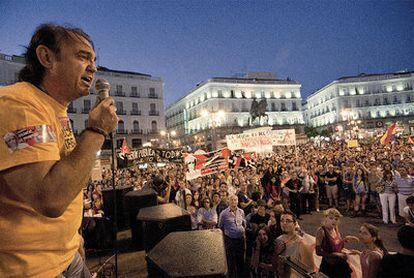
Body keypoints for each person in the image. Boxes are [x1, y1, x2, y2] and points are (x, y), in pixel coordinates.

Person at [0, 24, 118, 277]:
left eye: (94, 60)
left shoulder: (56, 110)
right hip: (31, 268)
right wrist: (97, 131)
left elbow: (69, 177)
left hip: (65, 255)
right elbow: (50, 197)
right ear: (47, 58)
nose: (93, 67)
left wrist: (74, 240)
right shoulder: (19, 104)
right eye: (83, 56)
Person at [315, 208, 359, 278]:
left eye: (336, 219)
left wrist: (344, 240)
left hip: (340, 264)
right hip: (328, 266)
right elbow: (318, 252)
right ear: (325, 218)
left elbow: (337, 245)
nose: (334, 221)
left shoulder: (335, 228)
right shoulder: (321, 231)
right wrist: (336, 254)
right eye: (331, 218)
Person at [271, 211, 315, 278]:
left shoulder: (302, 244)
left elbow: (310, 271)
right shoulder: (278, 240)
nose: (284, 223)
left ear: (294, 224)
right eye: (282, 221)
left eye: (288, 221)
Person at [218, 194, 246, 278]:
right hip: (230, 240)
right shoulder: (224, 213)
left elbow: (243, 223)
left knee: (240, 260)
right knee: (231, 261)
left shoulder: (241, 211)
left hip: (240, 240)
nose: (233, 201)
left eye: (235, 200)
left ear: (237, 201)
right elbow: (220, 226)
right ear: (228, 201)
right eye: (232, 200)